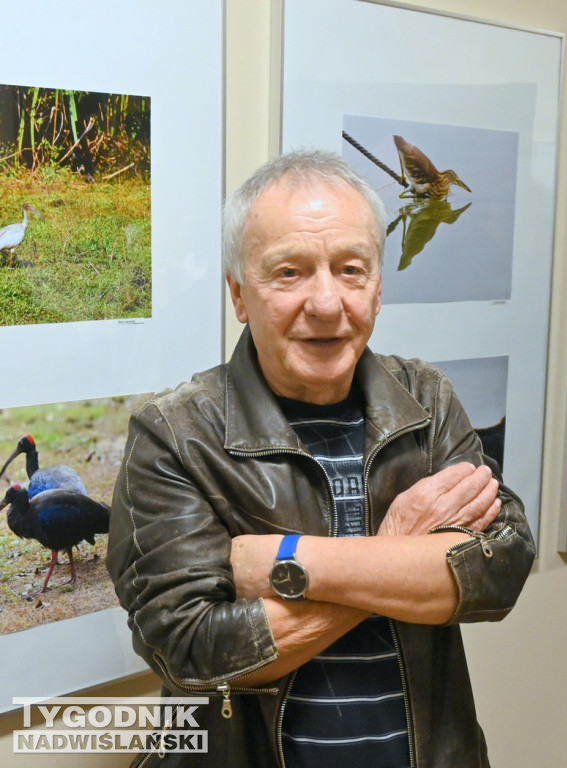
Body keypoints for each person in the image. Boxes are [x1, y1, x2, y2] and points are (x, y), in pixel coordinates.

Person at [107, 150, 535, 768]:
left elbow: (501, 570)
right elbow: (190, 649)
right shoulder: (177, 433)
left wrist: (291, 562)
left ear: (379, 288)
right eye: (290, 273)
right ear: (239, 295)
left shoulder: (426, 401)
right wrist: (397, 549)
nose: (328, 303)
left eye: (351, 269)